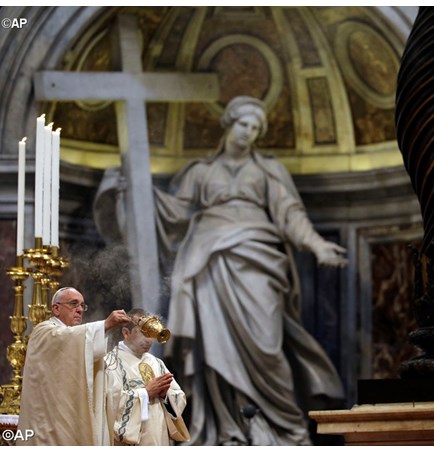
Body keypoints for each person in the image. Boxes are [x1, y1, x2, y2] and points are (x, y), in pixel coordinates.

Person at [134, 95, 346, 445]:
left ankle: (287, 429)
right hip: (208, 261)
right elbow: (175, 212)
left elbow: (291, 214)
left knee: (267, 347)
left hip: (256, 258)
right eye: (243, 124)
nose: (249, 132)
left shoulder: (267, 170)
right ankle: (228, 430)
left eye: (255, 128)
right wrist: (136, 188)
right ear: (229, 124)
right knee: (213, 348)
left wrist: (318, 245)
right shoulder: (201, 171)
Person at [16, 287, 131, 446]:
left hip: (68, 414)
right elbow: (65, 338)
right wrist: (105, 324)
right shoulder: (43, 332)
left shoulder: (75, 336)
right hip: (47, 421)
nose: (79, 310)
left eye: (82, 305)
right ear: (56, 309)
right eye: (73, 304)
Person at [104, 308, 187, 446]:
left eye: (151, 334)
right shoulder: (111, 363)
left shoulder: (156, 363)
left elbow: (179, 397)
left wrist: (165, 396)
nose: (148, 340)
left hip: (159, 438)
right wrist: (145, 393)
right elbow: (110, 402)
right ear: (126, 332)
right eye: (143, 333)